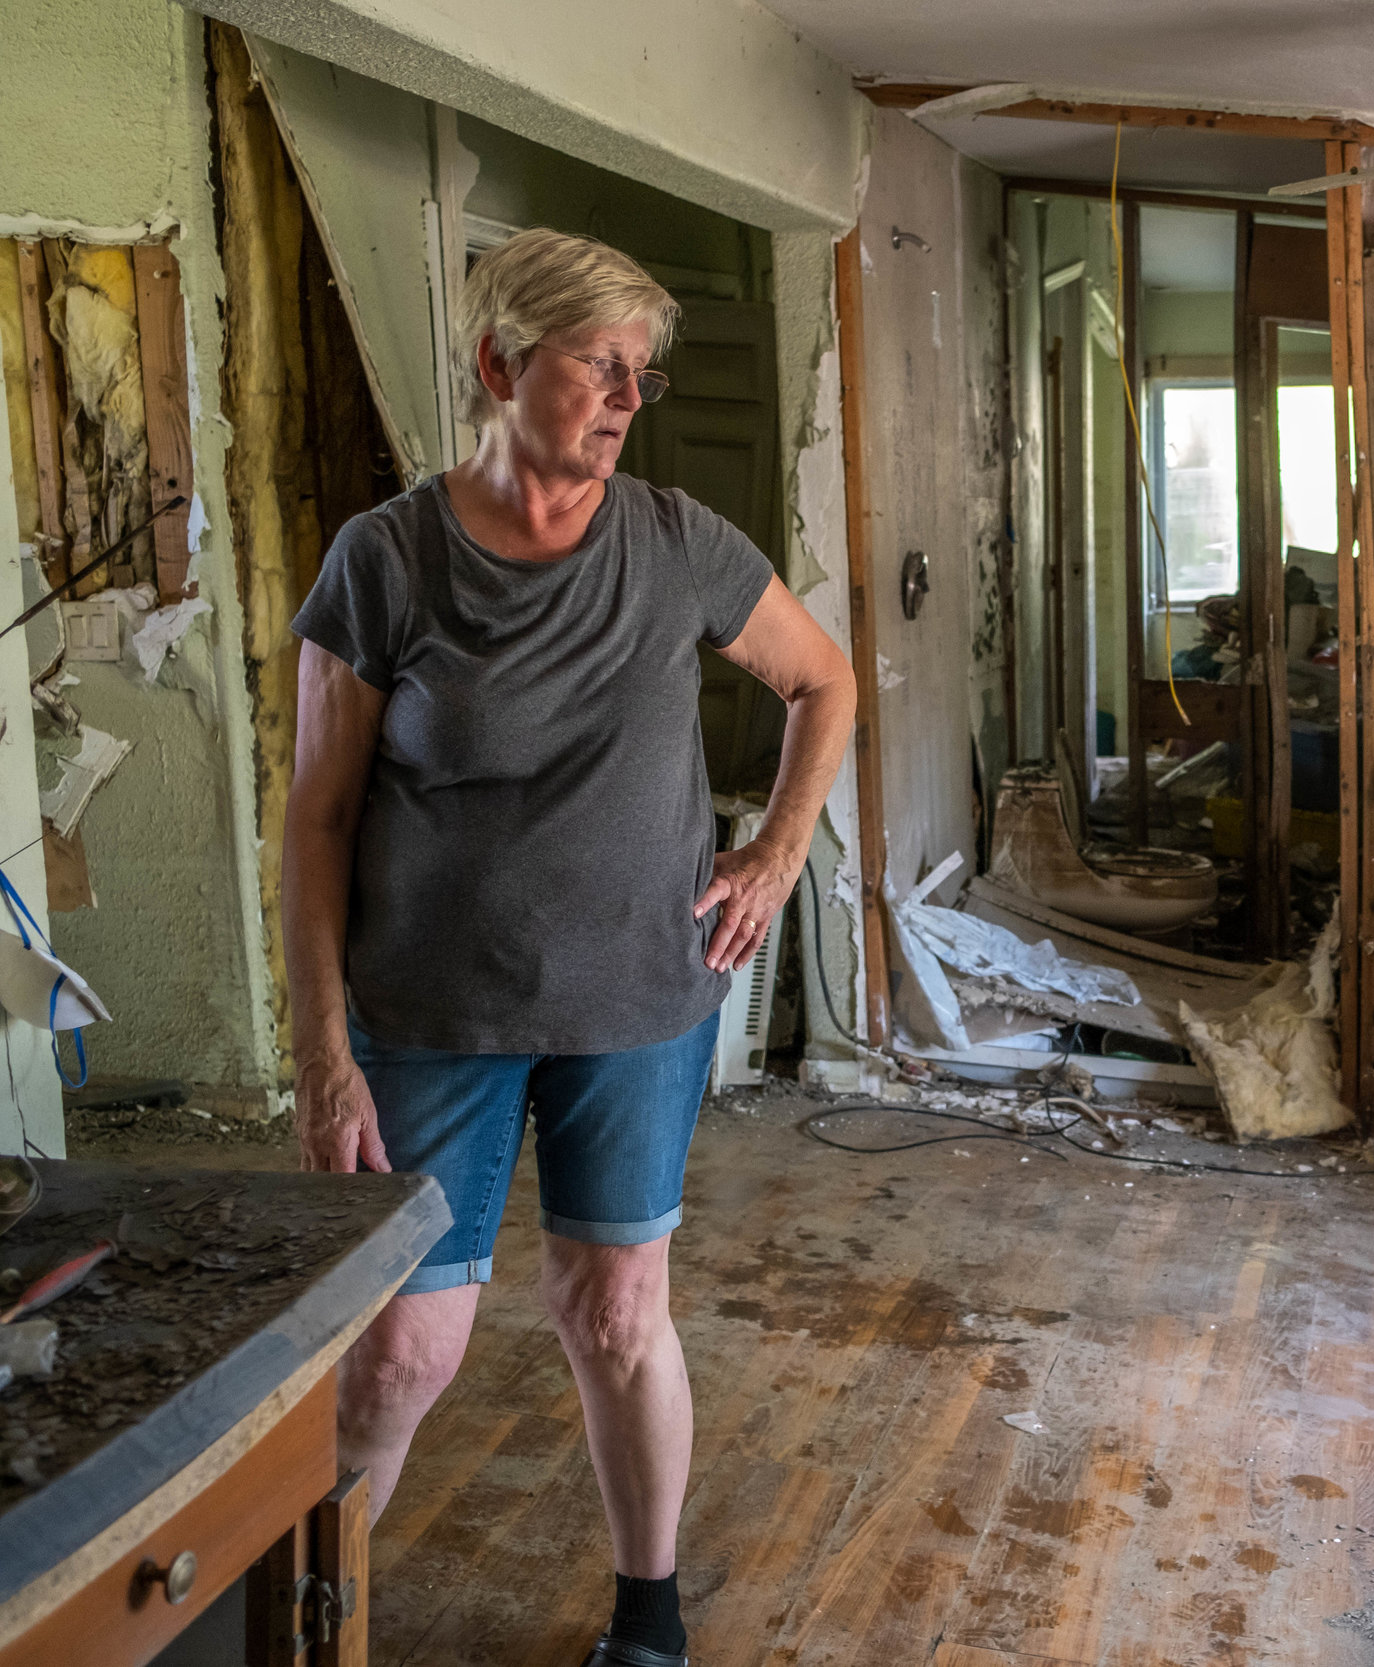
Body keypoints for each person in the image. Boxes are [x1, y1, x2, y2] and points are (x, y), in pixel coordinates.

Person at [281, 228, 855, 1667]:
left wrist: (778, 851)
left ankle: (646, 1618)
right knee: (407, 1348)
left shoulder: (674, 545)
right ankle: (304, 1629)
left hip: (638, 1008)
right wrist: (321, 1052)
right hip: (427, 1013)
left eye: (639, 376)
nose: (625, 396)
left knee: (616, 1313)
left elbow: (823, 679)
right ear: (497, 363)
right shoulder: (385, 562)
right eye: (601, 366)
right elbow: (316, 820)